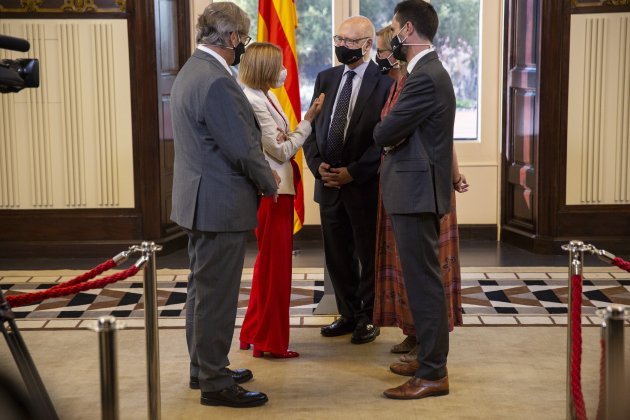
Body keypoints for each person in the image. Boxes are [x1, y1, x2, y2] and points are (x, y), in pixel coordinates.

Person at [170, 2, 279, 409]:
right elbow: (242, 149)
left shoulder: (191, 70)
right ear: (232, 38)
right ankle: (215, 382)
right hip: (219, 204)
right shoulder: (216, 80)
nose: (243, 46)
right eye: (242, 38)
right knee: (216, 296)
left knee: (202, 291)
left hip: (199, 200)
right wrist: (269, 183)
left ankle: (205, 367)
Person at [373, 0, 456, 400]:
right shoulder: (424, 71)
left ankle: (432, 372)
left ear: (407, 30)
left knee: (424, 283)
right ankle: (428, 358)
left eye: (393, 28)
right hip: (415, 189)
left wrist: (388, 133)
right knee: (423, 280)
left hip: (416, 192)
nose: (389, 35)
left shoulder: (425, 77)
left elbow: (384, 132)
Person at [303, 16, 393, 345]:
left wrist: (353, 171)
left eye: (350, 42)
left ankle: (368, 318)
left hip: (363, 184)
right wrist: (317, 165)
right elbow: (311, 125)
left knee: (367, 256)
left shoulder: (385, 81)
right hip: (327, 183)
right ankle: (347, 313)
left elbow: (382, 139)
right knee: (337, 256)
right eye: (338, 39)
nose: (342, 46)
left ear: (368, 45)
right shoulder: (325, 78)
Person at [238, 42, 325, 359]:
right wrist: (309, 121)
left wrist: (290, 135)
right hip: (271, 193)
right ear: (264, 68)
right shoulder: (253, 99)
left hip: (281, 190)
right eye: (278, 65)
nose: (283, 72)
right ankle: (269, 342)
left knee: (267, 267)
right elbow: (283, 150)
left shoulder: (265, 94)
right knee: (275, 271)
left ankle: (253, 332)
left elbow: (283, 140)